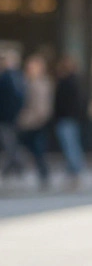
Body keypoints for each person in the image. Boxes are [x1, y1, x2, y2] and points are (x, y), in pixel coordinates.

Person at [15, 53, 53, 189]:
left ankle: (43, 175)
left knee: (36, 150)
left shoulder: (40, 83)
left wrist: (36, 119)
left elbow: (42, 106)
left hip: (35, 122)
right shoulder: (26, 82)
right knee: (21, 148)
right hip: (27, 122)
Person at [53, 56, 87, 189]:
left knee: (71, 148)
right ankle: (72, 173)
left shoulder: (69, 82)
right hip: (68, 119)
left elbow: (66, 103)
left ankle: (76, 173)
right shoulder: (73, 82)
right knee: (71, 147)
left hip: (67, 119)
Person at [0, 49, 23, 178]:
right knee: (10, 142)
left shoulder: (9, 77)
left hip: (8, 116)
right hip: (10, 116)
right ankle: (13, 167)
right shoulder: (16, 76)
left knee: (10, 142)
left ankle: (15, 166)